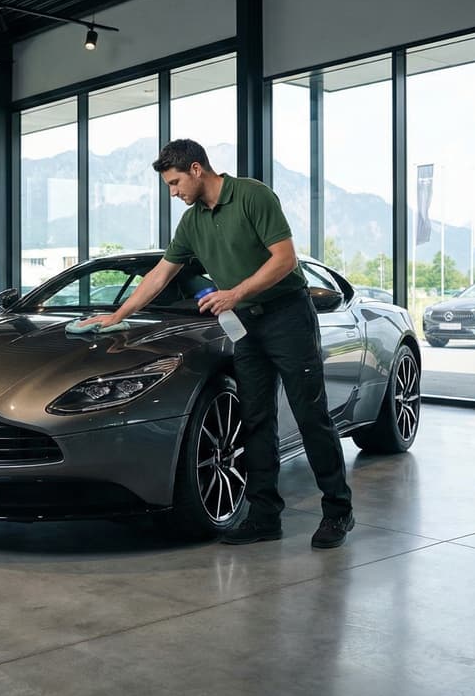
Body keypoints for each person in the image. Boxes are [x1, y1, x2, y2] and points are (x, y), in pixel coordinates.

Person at [80, 138, 354, 548]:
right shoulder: (192, 222)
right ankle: (264, 516)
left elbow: (285, 260)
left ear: (195, 169)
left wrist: (234, 294)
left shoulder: (252, 196)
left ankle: (337, 512)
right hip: (244, 325)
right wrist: (117, 315)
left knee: (309, 413)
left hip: (286, 315)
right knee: (256, 418)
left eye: (175, 183)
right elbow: (160, 274)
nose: (173, 194)